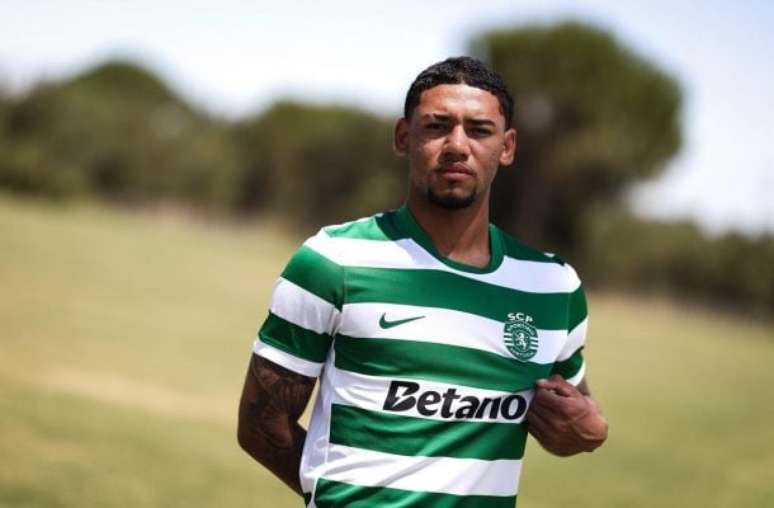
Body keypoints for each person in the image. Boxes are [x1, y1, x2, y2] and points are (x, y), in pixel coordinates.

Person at [237, 56, 608, 507]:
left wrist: (592, 431)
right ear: (403, 137)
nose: (457, 145)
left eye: (479, 130)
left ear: (507, 147)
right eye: (437, 126)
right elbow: (260, 424)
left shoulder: (553, 286)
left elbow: (568, 421)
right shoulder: (334, 260)